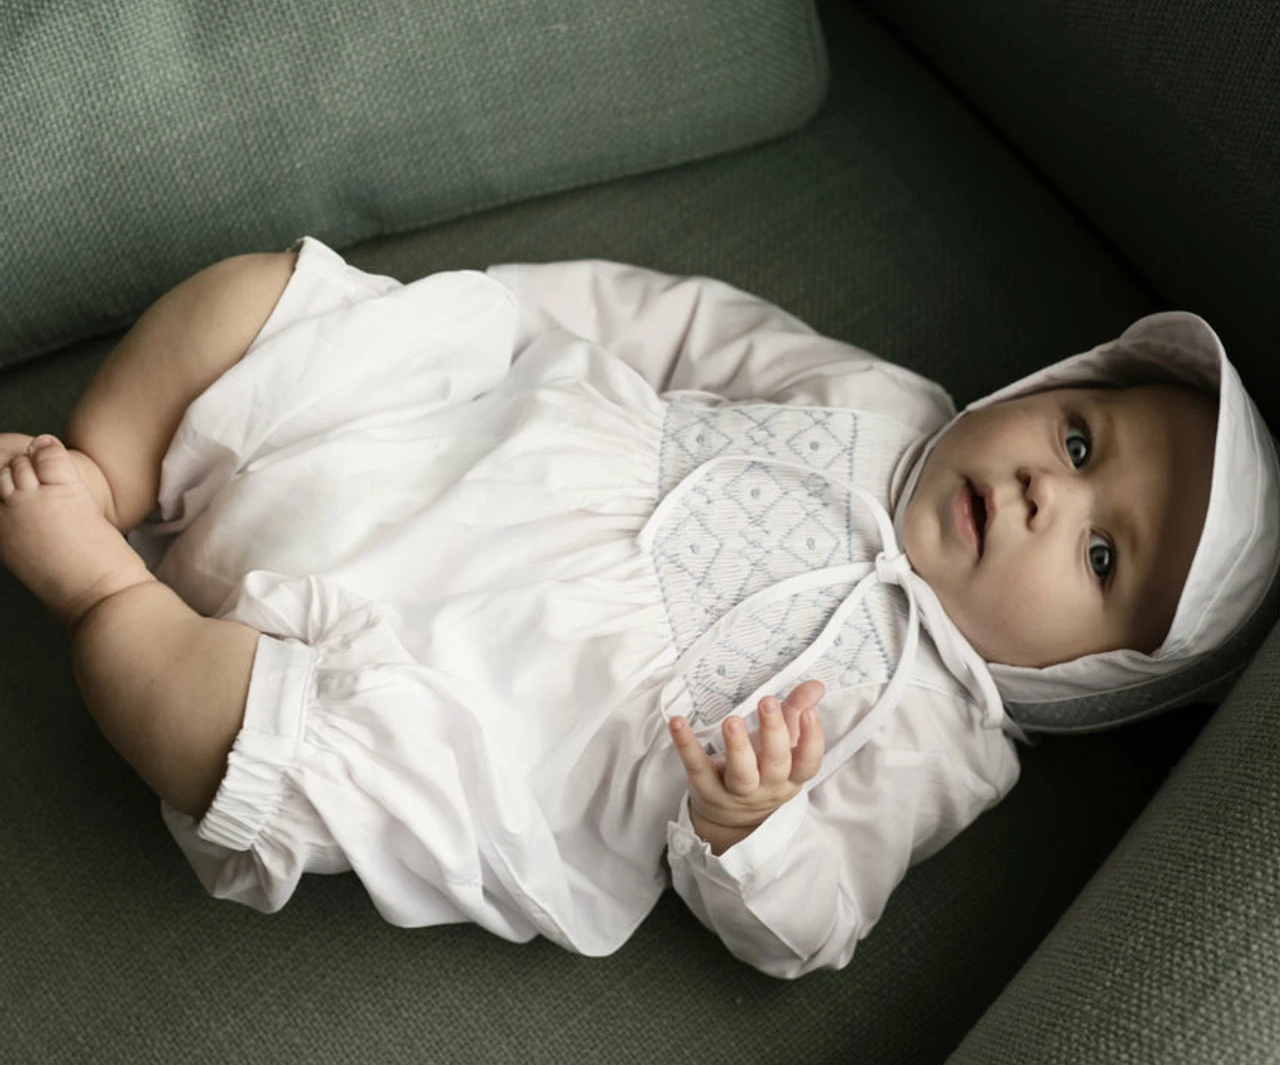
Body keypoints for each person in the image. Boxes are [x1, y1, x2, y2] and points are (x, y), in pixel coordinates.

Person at [1, 237, 1277, 978]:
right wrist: (485, 315)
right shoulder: (885, 405)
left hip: (505, 709)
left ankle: (101, 585)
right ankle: (106, 470)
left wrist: (753, 825)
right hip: (467, 443)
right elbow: (678, 327)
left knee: (264, 748)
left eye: (1100, 555)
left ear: (1085, 679)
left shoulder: (945, 737)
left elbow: (817, 921)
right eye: (1076, 437)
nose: (1051, 491)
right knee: (267, 293)